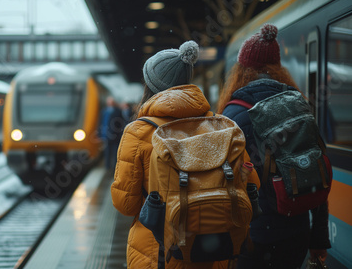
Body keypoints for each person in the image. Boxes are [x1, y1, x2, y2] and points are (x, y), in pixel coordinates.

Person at [111, 41, 259, 269]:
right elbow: (251, 185)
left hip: (158, 253)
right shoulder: (222, 128)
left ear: (150, 86)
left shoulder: (138, 132)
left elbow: (126, 204)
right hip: (212, 250)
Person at [216, 23, 331, 269]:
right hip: (297, 232)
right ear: (278, 67)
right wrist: (319, 238)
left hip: (253, 238)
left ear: (241, 70)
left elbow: (224, 182)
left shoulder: (233, 113)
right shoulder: (299, 105)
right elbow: (315, 168)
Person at [99, 96, 124, 171]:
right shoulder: (103, 111)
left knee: (115, 151)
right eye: (109, 101)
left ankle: (114, 167)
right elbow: (100, 122)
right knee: (107, 151)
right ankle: (107, 167)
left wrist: (119, 133)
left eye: (111, 101)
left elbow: (120, 123)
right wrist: (100, 133)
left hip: (115, 135)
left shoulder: (118, 111)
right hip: (106, 135)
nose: (110, 103)